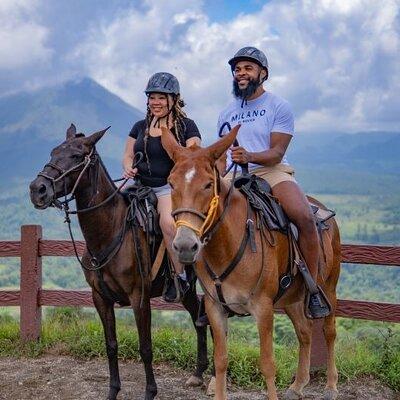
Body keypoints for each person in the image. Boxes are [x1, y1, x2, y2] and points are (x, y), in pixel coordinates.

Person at [217, 46, 330, 319]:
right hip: (234, 175)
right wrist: (215, 175)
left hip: (271, 171)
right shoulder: (226, 112)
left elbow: (277, 151)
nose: (241, 73)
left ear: (262, 73)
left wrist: (250, 155)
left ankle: (312, 288)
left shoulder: (278, 106)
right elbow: (221, 155)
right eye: (237, 69)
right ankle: (212, 289)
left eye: (248, 68)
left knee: (303, 216)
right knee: (202, 213)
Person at [123, 72, 201, 302]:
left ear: (173, 100)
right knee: (109, 209)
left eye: (161, 97)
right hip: (140, 185)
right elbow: (127, 154)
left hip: (168, 188)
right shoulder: (139, 126)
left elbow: (192, 157)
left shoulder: (186, 126)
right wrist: (128, 167)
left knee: (167, 223)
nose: (155, 102)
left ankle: (181, 276)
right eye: (152, 97)